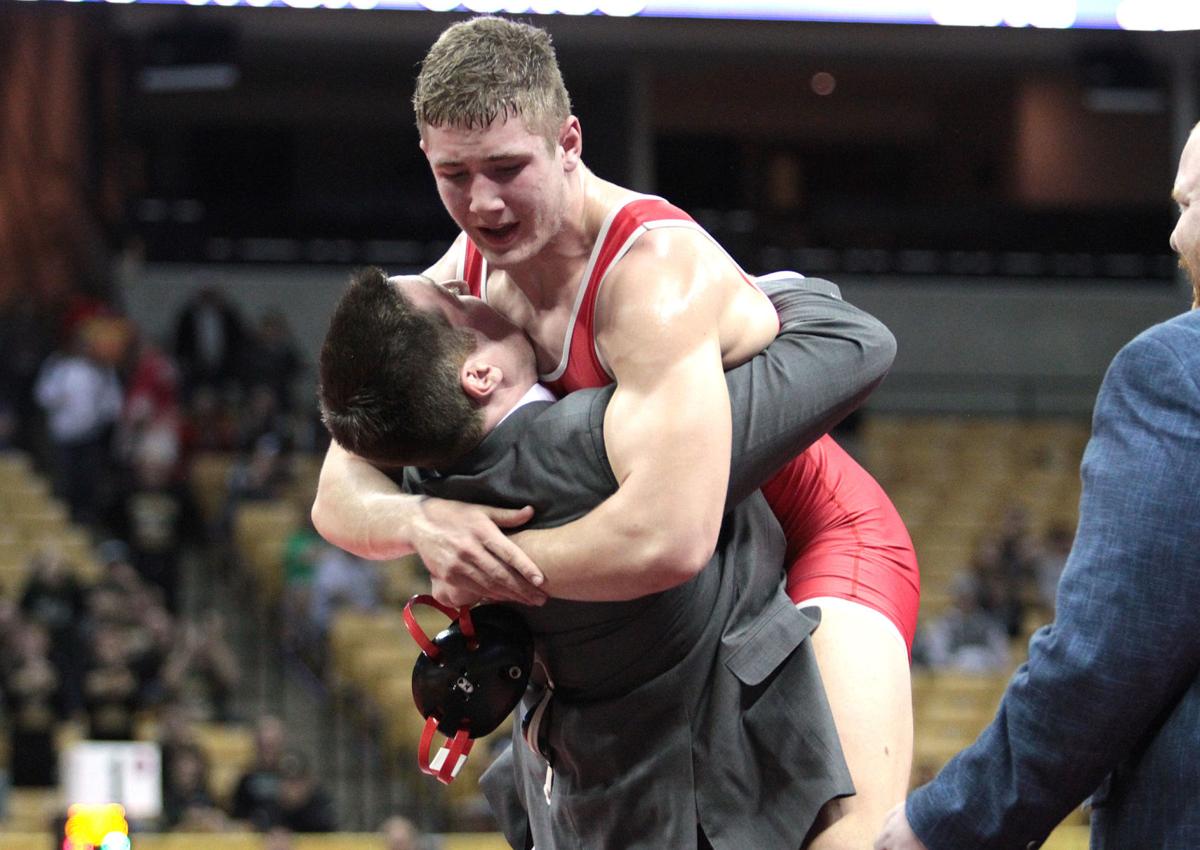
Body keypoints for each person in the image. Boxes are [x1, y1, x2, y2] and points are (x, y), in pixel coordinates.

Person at [312, 17, 919, 843]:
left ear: (569, 141)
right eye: (454, 174)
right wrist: (423, 523)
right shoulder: (464, 276)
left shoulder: (651, 279)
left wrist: (486, 569)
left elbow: (669, 537)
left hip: (813, 526)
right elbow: (339, 485)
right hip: (689, 574)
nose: (482, 202)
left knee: (852, 843)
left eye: (507, 168)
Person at [318, 269, 892, 848]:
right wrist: (703, 292)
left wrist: (415, 518)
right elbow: (852, 342)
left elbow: (338, 484)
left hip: (582, 802)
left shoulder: (423, 477)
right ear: (480, 373)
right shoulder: (593, 449)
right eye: (455, 299)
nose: (472, 286)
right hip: (698, 800)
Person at [873, 122, 1200, 850]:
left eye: (1188, 206)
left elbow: (1105, 662)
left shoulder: (1176, 372)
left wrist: (943, 823)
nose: (1176, 241)